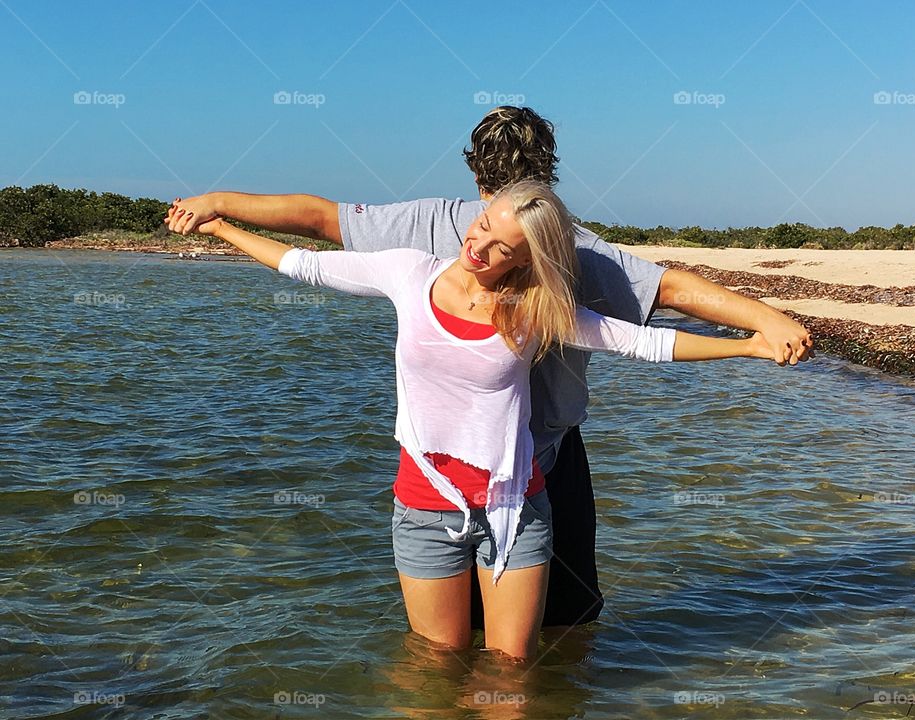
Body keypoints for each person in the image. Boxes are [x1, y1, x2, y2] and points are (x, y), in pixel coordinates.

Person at [166, 106, 814, 629]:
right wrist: (763, 322)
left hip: (523, 476)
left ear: (475, 174)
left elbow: (316, 218)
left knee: (479, 646)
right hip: (525, 469)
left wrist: (215, 203)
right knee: (557, 636)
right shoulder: (560, 241)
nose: (482, 242)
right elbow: (668, 290)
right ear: (549, 173)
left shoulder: (447, 226)